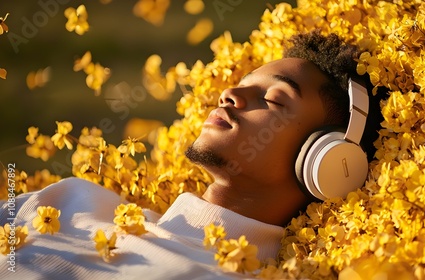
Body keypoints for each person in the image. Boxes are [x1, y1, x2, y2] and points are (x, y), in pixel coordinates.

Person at [0, 31, 384, 279]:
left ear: (327, 163)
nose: (230, 94)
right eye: (244, 83)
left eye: (273, 99)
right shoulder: (72, 200)